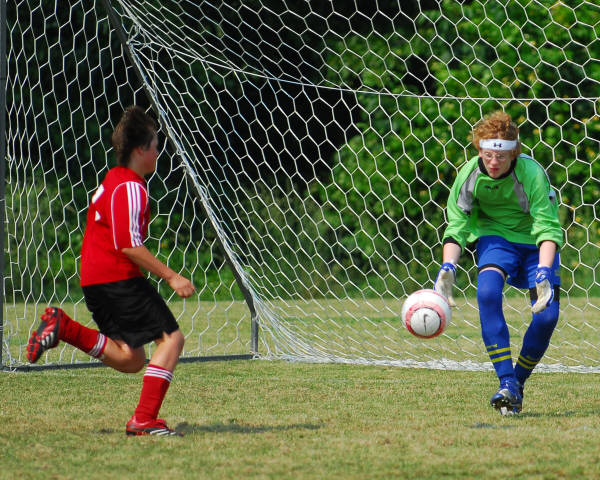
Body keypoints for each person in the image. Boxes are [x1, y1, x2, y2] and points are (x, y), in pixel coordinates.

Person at [26, 105, 195, 436]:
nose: (158, 152)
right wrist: (171, 276)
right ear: (140, 150)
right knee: (172, 339)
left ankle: (64, 327)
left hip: (95, 279)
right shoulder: (130, 187)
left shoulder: (113, 179)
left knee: (131, 358)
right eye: (155, 146)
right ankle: (144, 420)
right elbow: (127, 244)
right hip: (117, 277)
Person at [434, 110, 562, 415]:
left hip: (535, 244)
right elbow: (457, 225)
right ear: (479, 150)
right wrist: (448, 266)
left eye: (501, 157)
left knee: (547, 317)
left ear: (513, 153)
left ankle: (515, 385)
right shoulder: (469, 175)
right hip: (496, 239)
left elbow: (548, 228)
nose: (493, 162)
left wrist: (545, 270)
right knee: (487, 293)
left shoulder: (532, 174)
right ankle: (505, 380)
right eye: (488, 155)